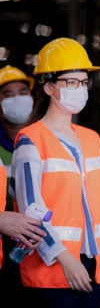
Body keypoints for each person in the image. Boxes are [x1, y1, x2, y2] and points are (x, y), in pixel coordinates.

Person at [11, 37, 100, 308]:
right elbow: (31, 211)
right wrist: (64, 257)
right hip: (51, 273)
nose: (79, 89)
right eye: (70, 82)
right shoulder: (31, 141)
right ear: (48, 87)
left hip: (93, 268)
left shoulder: (93, 139)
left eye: (83, 82)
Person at [0, 65, 39, 293]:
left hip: (38, 240)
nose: (18, 99)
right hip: (5, 243)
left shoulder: (44, 140)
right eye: (8, 94)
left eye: (23, 93)